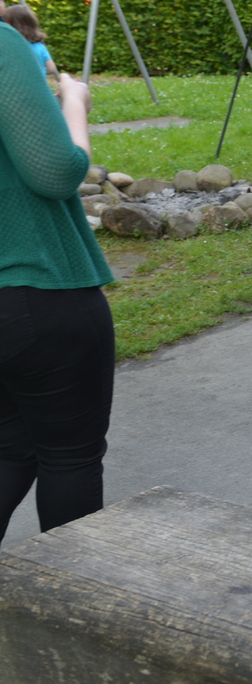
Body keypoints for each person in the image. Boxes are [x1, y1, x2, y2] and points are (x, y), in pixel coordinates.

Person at [0, 22, 115, 543]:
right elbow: (54, 171)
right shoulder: (5, 44)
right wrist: (74, 105)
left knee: (11, 449)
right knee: (70, 456)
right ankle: (71, 589)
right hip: (35, 288)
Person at [4, 4, 59, 81]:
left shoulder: (10, 47)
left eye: (6, 22)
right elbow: (52, 68)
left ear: (15, 25)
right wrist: (41, 72)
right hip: (39, 85)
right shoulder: (40, 46)